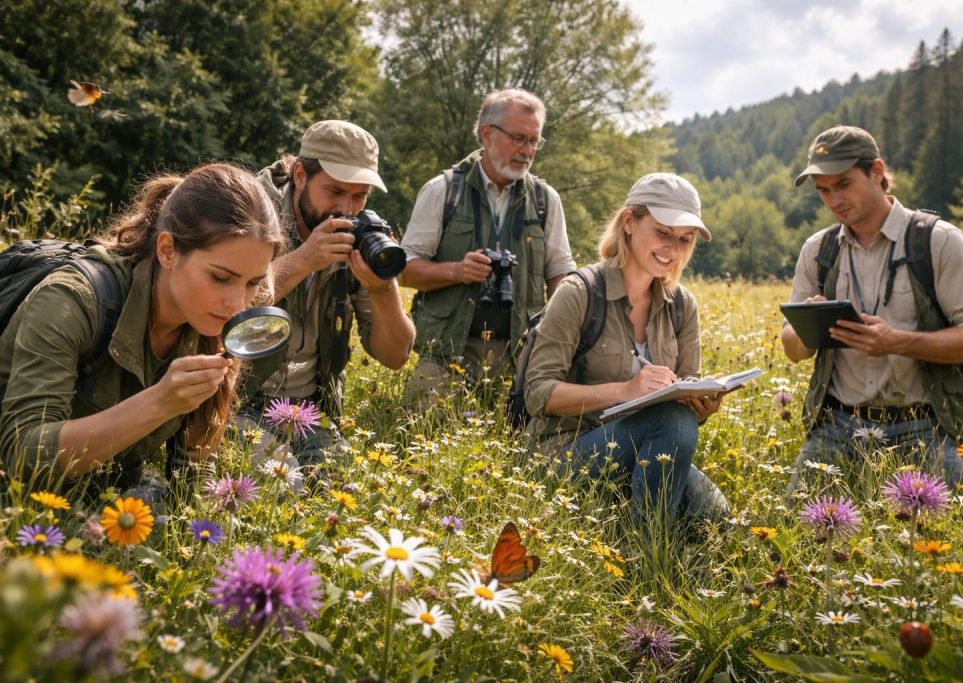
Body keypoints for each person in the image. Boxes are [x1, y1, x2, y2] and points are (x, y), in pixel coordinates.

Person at [0, 163, 286, 500]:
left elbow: (191, 472)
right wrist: (159, 403)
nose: (237, 302)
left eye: (252, 283)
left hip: (105, 503)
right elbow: (22, 455)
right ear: (167, 250)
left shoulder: (209, 326)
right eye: (220, 278)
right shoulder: (73, 300)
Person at [782, 125, 963, 490]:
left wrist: (896, 342)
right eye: (824, 191)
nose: (834, 199)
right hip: (837, 424)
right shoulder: (818, 250)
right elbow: (792, 350)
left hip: (925, 426)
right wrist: (808, 327)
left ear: (877, 172)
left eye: (844, 184)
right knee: (792, 533)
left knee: (952, 531)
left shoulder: (938, 241)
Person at [523, 173, 730, 528]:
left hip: (648, 449)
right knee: (672, 424)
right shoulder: (580, 292)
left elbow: (683, 413)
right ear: (629, 222)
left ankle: (648, 525)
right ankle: (649, 549)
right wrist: (626, 391)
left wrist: (703, 405)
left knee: (716, 518)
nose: (673, 249)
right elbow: (537, 393)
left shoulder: (682, 306)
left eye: (685, 239)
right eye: (663, 232)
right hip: (567, 452)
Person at [238, 120, 415, 474]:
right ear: (300, 175)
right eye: (335, 191)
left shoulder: (359, 231)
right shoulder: (248, 214)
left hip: (307, 408)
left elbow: (395, 356)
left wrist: (383, 290)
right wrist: (303, 261)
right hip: (239, 400)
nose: (347, 208)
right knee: (282, 486)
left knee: (346, 488)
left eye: (359, 195)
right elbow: (223, 308)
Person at [400, 88, 576, 405]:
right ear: (486, 134)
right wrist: (457, 270)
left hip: (521, 354)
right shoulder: (443, 191)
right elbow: (404, 271)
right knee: (420, 418)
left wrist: (557, 339)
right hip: (448, 351)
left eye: (534, 141)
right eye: (518, 138)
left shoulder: (545, 200)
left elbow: (562, 275)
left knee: (531, 439)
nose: (527, 150)